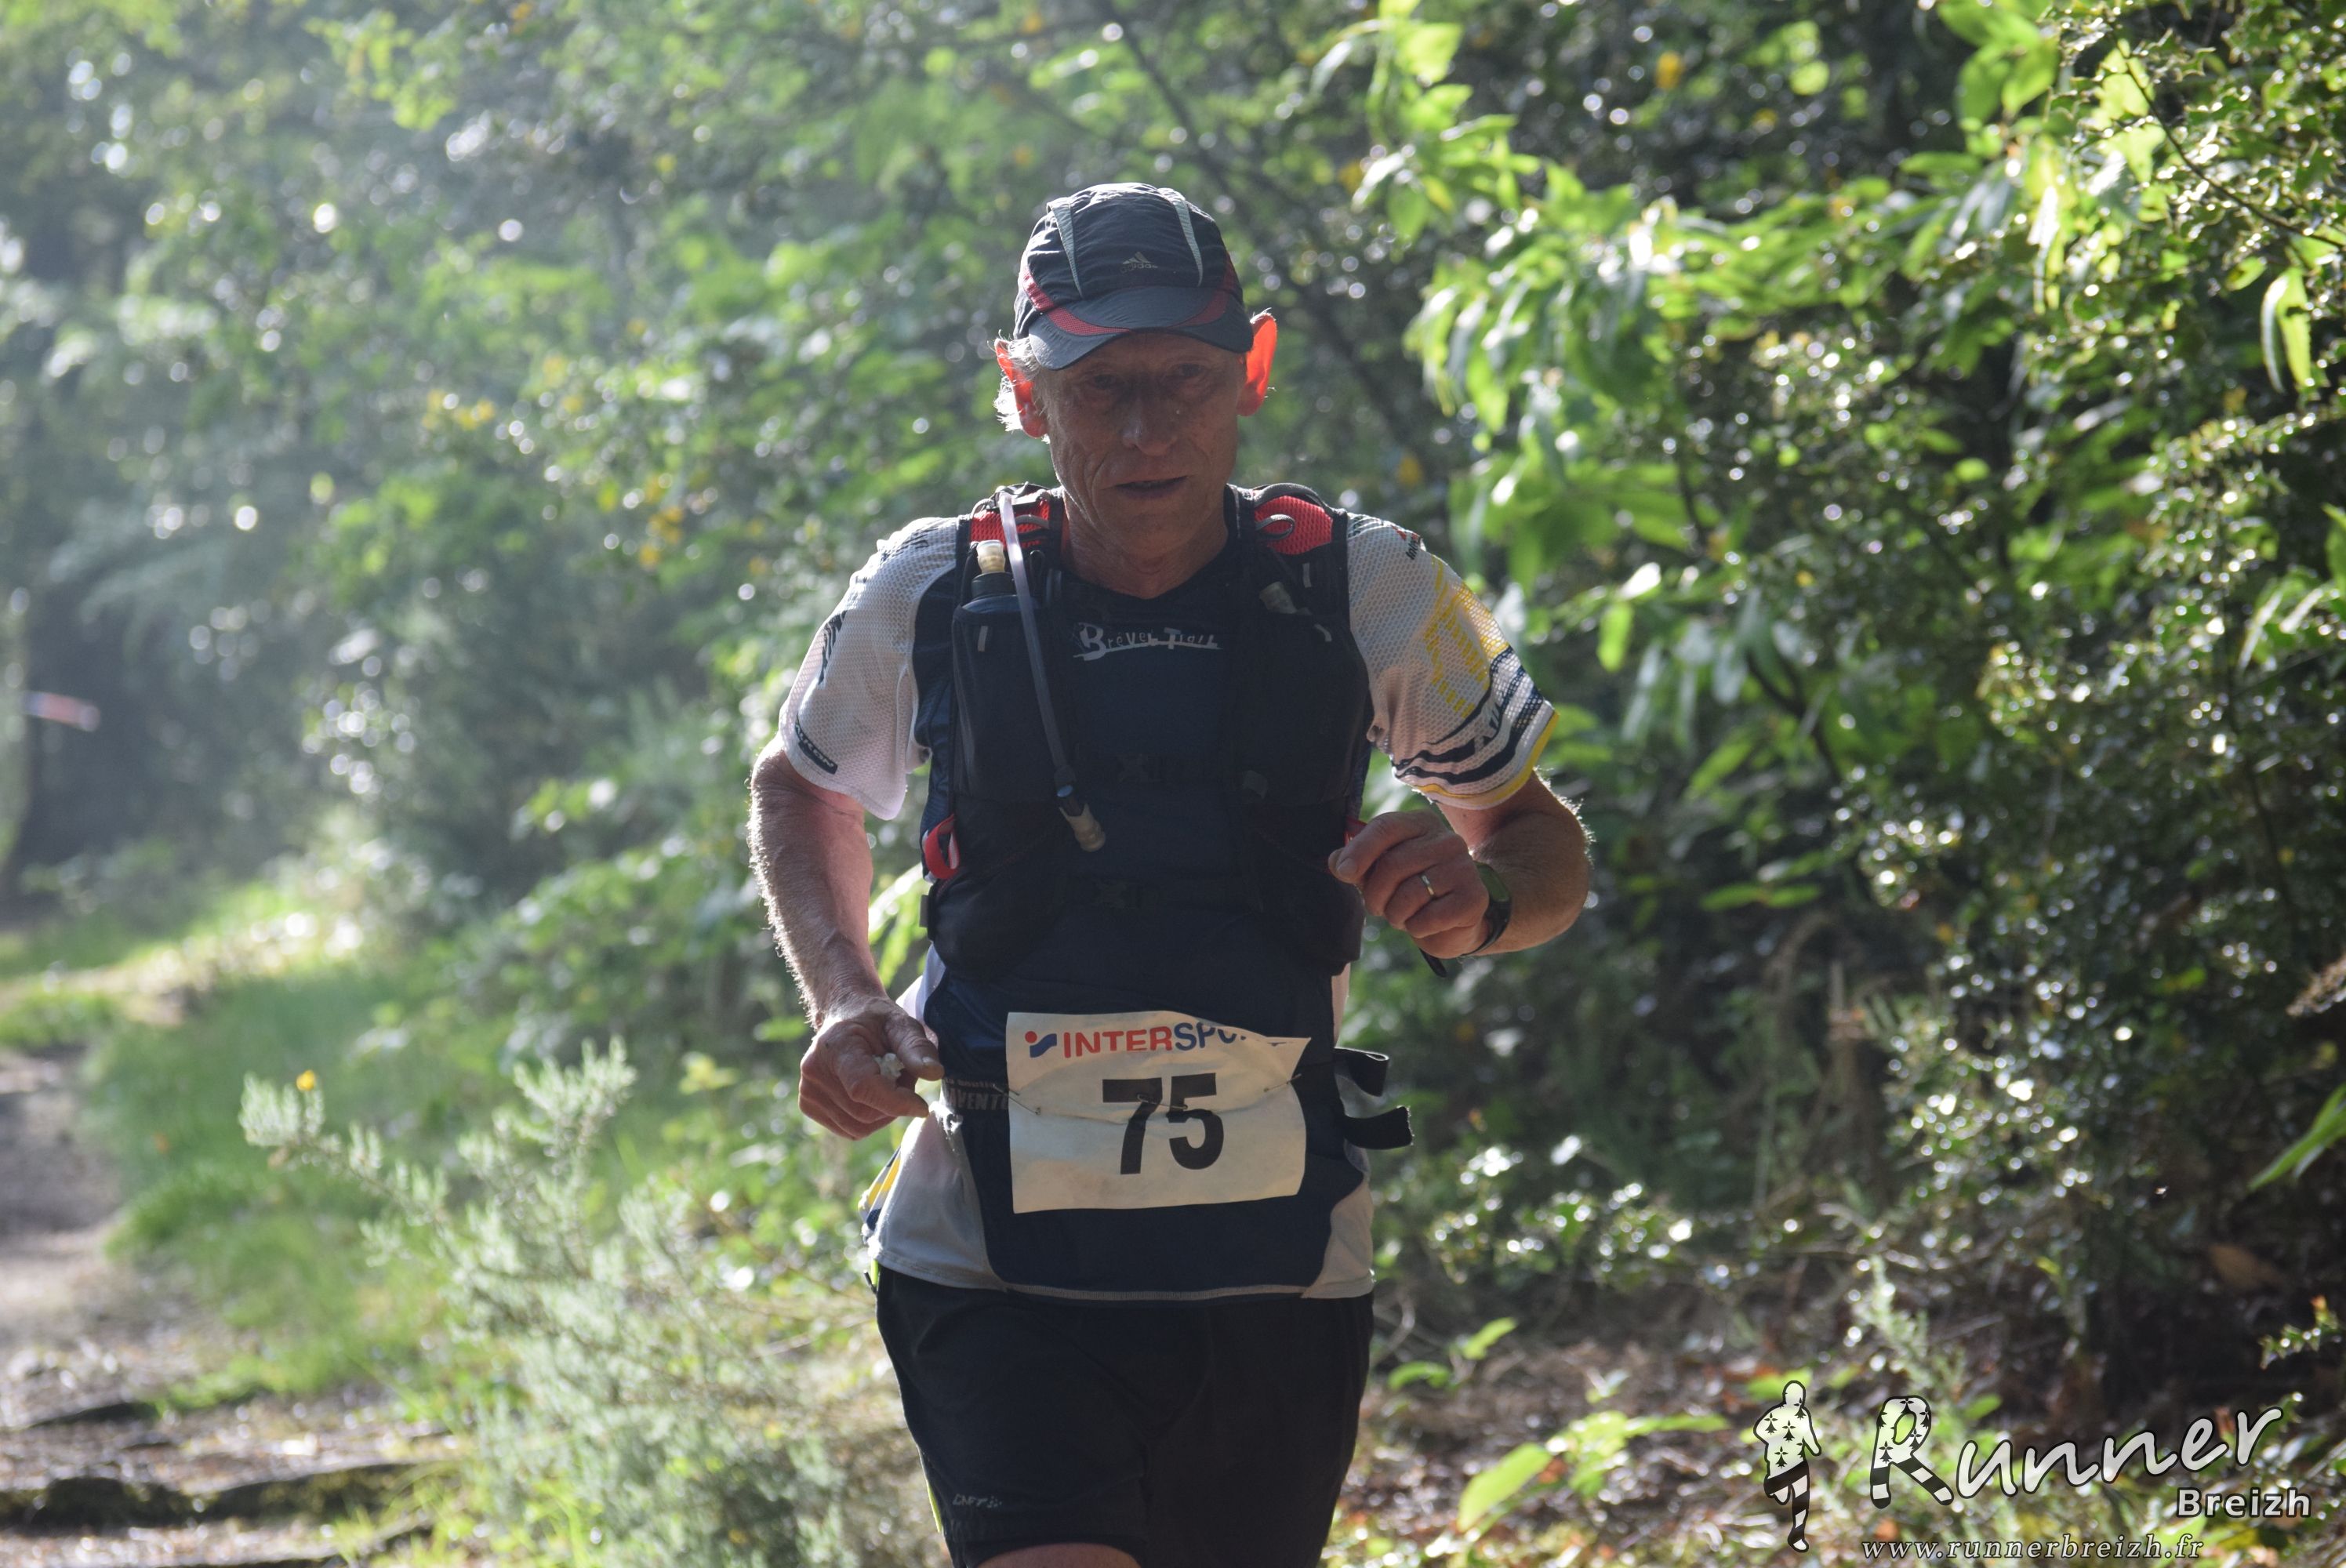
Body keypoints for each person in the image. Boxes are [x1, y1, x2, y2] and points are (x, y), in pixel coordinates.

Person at [749, 182, 1590, 1568]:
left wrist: (1482, 897)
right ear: (1025, 392)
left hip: (1277, 1270)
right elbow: (801, 785)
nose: (1146, 430)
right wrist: (844, 995)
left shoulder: (1371, 589)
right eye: (1101, 389)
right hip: (988, 1259)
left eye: (1184, 381)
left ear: (1251, 366)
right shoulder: (932, 590)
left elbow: (1538, 845)